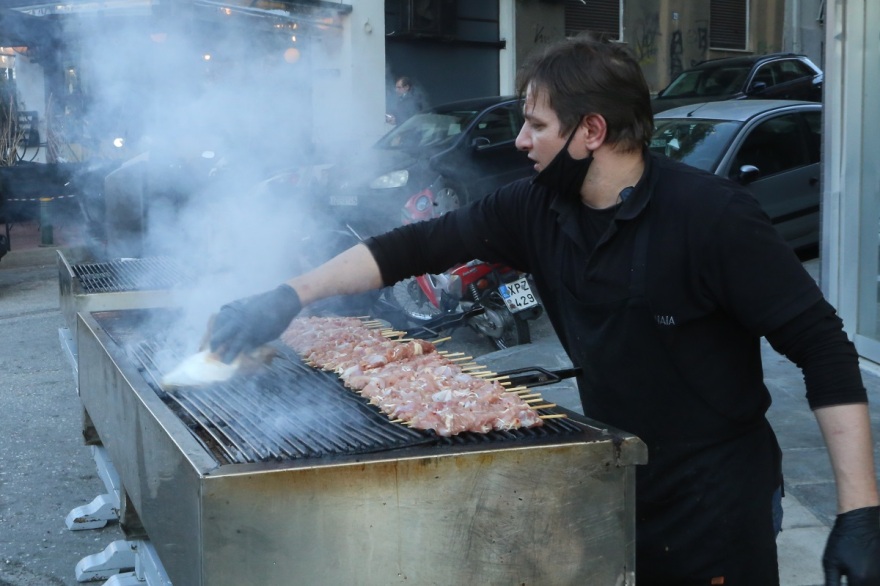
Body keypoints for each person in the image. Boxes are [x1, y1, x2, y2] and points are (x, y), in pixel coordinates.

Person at [208, 37, 880, 585]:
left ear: (592, 131)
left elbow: (823, 348)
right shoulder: (534, 209)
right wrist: (289, 295)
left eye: (536, 125)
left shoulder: (711, 217)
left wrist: (859, 513)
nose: (521, 140)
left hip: (717, 499)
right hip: (612, 473)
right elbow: (413, 246)